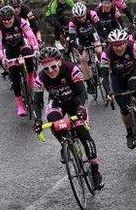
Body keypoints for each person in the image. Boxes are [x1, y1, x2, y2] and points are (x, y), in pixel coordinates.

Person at [33, 47, 104, 190]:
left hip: (75, 101)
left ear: (59, 62)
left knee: (82, 132)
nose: (51, 71)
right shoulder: (40, 78)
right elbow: (37, 101)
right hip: (57, 102)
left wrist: (81, 109)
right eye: (47, 69)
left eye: (53, 67)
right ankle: (64, 141)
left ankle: (95, 170)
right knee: (54, 122)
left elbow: (83, 93)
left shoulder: (71, 69)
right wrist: (37, 120)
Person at [101, 29, 136, 149]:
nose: (119, 48)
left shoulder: (133, 47)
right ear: (111, 45)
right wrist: (108, 92)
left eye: (121, 44)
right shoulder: (106, 54)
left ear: (126, 42)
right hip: (117, 78)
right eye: (115, 45)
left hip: (132, 73)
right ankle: (129, 133)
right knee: (124, 109)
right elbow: (104, 76)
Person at [0, 5, 40, 117]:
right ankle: (20, 105)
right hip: (9, 49)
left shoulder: (21, 21)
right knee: (14, 75)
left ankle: (31, 79)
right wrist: (2, 58)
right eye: (4, 20)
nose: (6, 22)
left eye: (9, 19)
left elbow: (30, 35)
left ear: (13, 17)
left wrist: (36, 48)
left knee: (29, 56)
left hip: (21, 45)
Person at [68, 2, 107, 96]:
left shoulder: (92, 14)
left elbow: (100, 27)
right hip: (81, 40)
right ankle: (89, 83)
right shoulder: (72, 23)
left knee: (99, 51)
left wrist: (105, 39)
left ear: (86, 13)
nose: (81, 19)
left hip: (93, 36)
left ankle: (103, 69)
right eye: (78, 17)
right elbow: (72, 39)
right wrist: (78, 47)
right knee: (82, 59)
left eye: (83, 16)